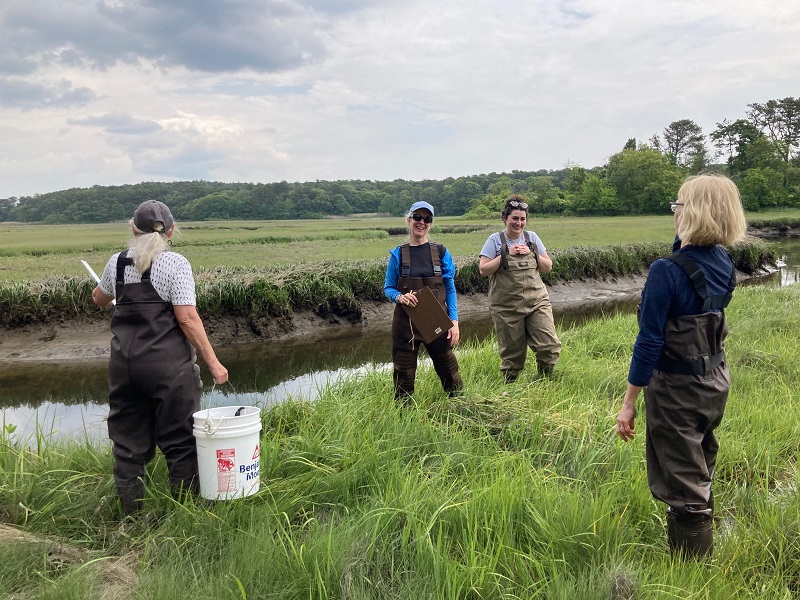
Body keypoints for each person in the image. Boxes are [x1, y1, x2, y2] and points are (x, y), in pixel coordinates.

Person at [616, 174, 747, 558]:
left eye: (679, 204)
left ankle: (690, 567)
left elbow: (650, 342)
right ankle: (698, 523)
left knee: (683, 477)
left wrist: (629, 401)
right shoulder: (723, 262)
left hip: (677, 388)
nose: (674, 211)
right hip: (714, 379)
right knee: (700, 453)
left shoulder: (666, 271)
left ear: (695, 212)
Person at [91, 199, 229, 515]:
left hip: (124, 367)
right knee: (180, 443)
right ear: (171, 230)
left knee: (127, 446)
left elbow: (99, 299)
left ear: (133, 228)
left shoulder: (117, 263)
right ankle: (183, 515)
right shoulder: (176, 264)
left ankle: (132, 518)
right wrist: (213, 363)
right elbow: (187, 318)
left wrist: (110, 295)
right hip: (169, 370)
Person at [384, 201, 463, 400]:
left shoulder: (441, 252)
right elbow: (388, 288)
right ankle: (404, 417)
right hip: (405, 324)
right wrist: (400, 297)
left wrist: (454, 321)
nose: (422, 222)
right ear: (409, 220)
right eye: (417, 217)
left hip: (435, 319)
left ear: (431, 223)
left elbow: (450, 288)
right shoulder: (398, 254)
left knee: (448, 369)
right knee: (404, 373)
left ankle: (460, 407)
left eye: (427, 219)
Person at [479, 195, 561, 383]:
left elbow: (548, 266)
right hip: (506, 306)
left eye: (522, 219)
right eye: (514, 218)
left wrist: (532, 253)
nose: (519, 223)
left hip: (537, 301)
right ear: (505, 218)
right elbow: (483, 270)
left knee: (549, 345)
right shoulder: (495, 240)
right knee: (512, 353)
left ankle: (545, 382)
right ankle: (511, 387)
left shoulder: (532, 238)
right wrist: (505, 254)